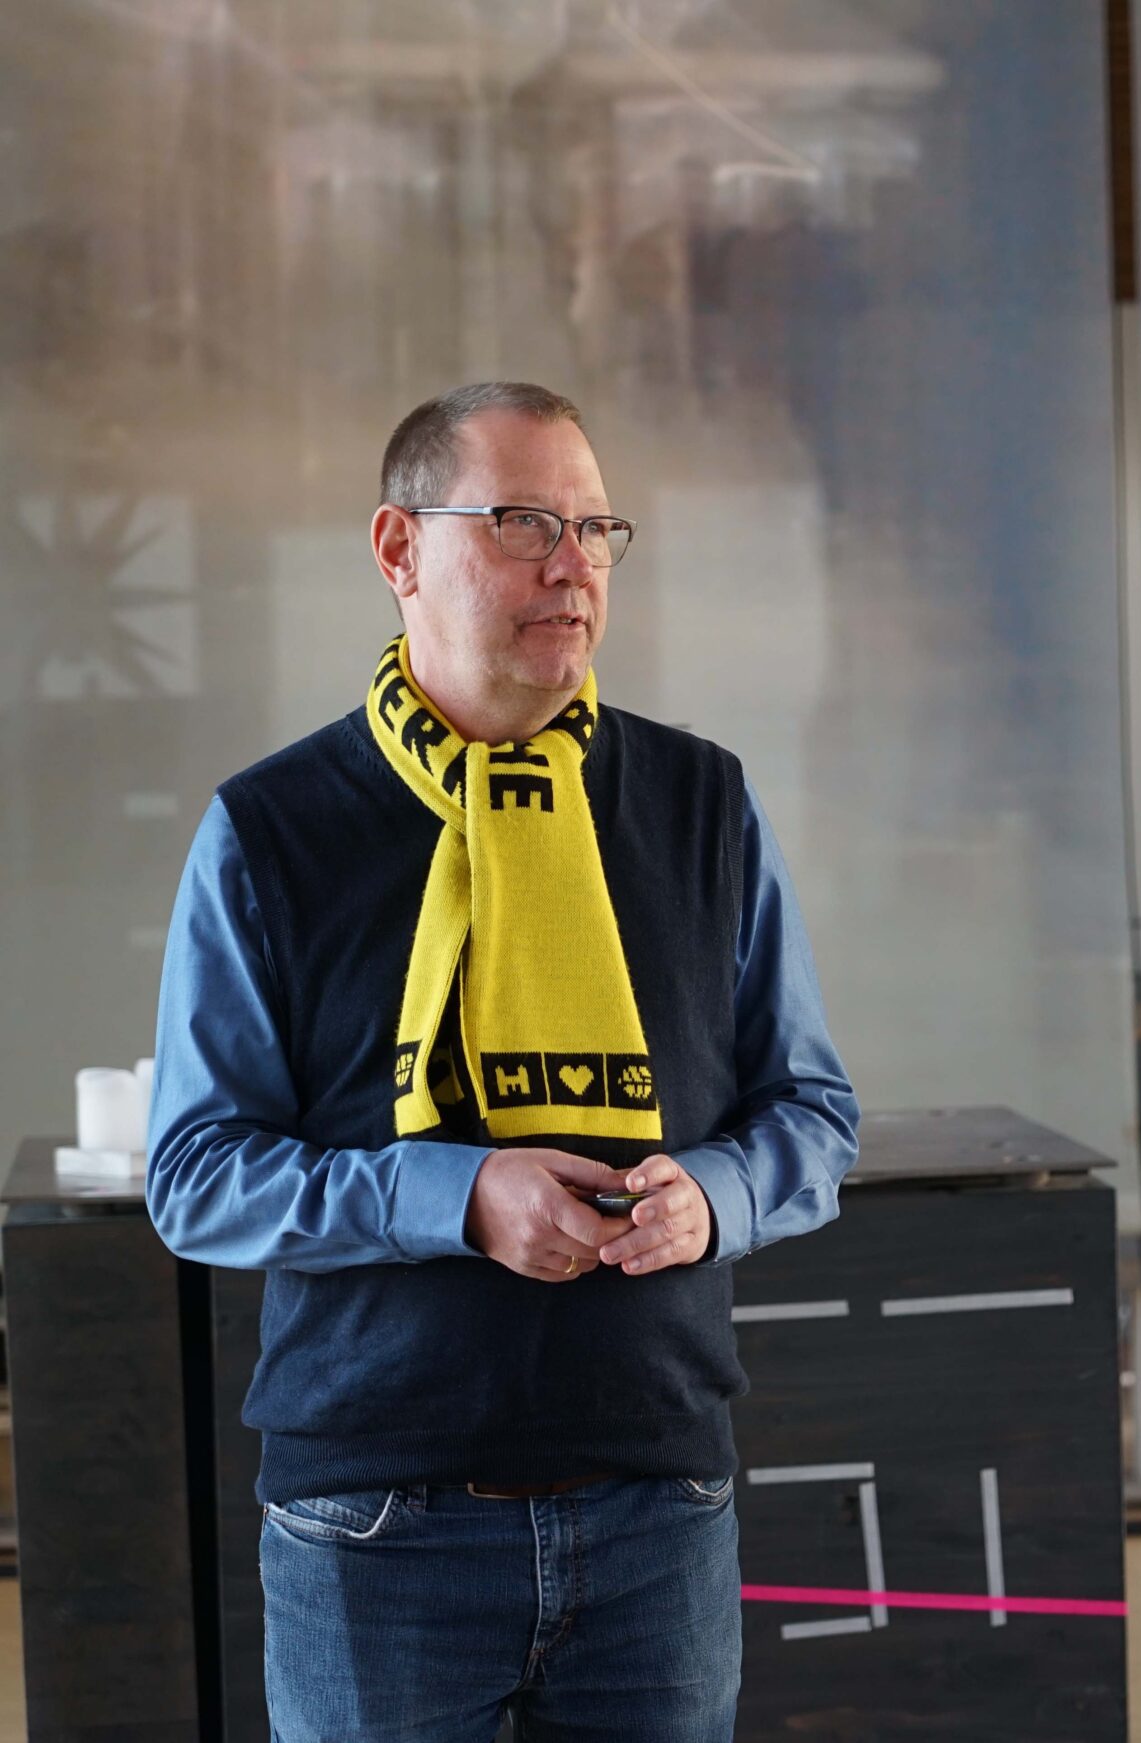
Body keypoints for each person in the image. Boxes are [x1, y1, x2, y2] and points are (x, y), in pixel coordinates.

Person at [146, 382, 863, 1743]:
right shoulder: (272, 828)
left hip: (660, 1503)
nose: (571, 564)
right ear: (398, 548)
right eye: (523, 521)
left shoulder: (701, 803)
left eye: (595, 528)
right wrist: (460, 1198)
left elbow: (813, 1112)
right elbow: (195, 1174)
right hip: (379, 1522)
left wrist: (715, 1194)